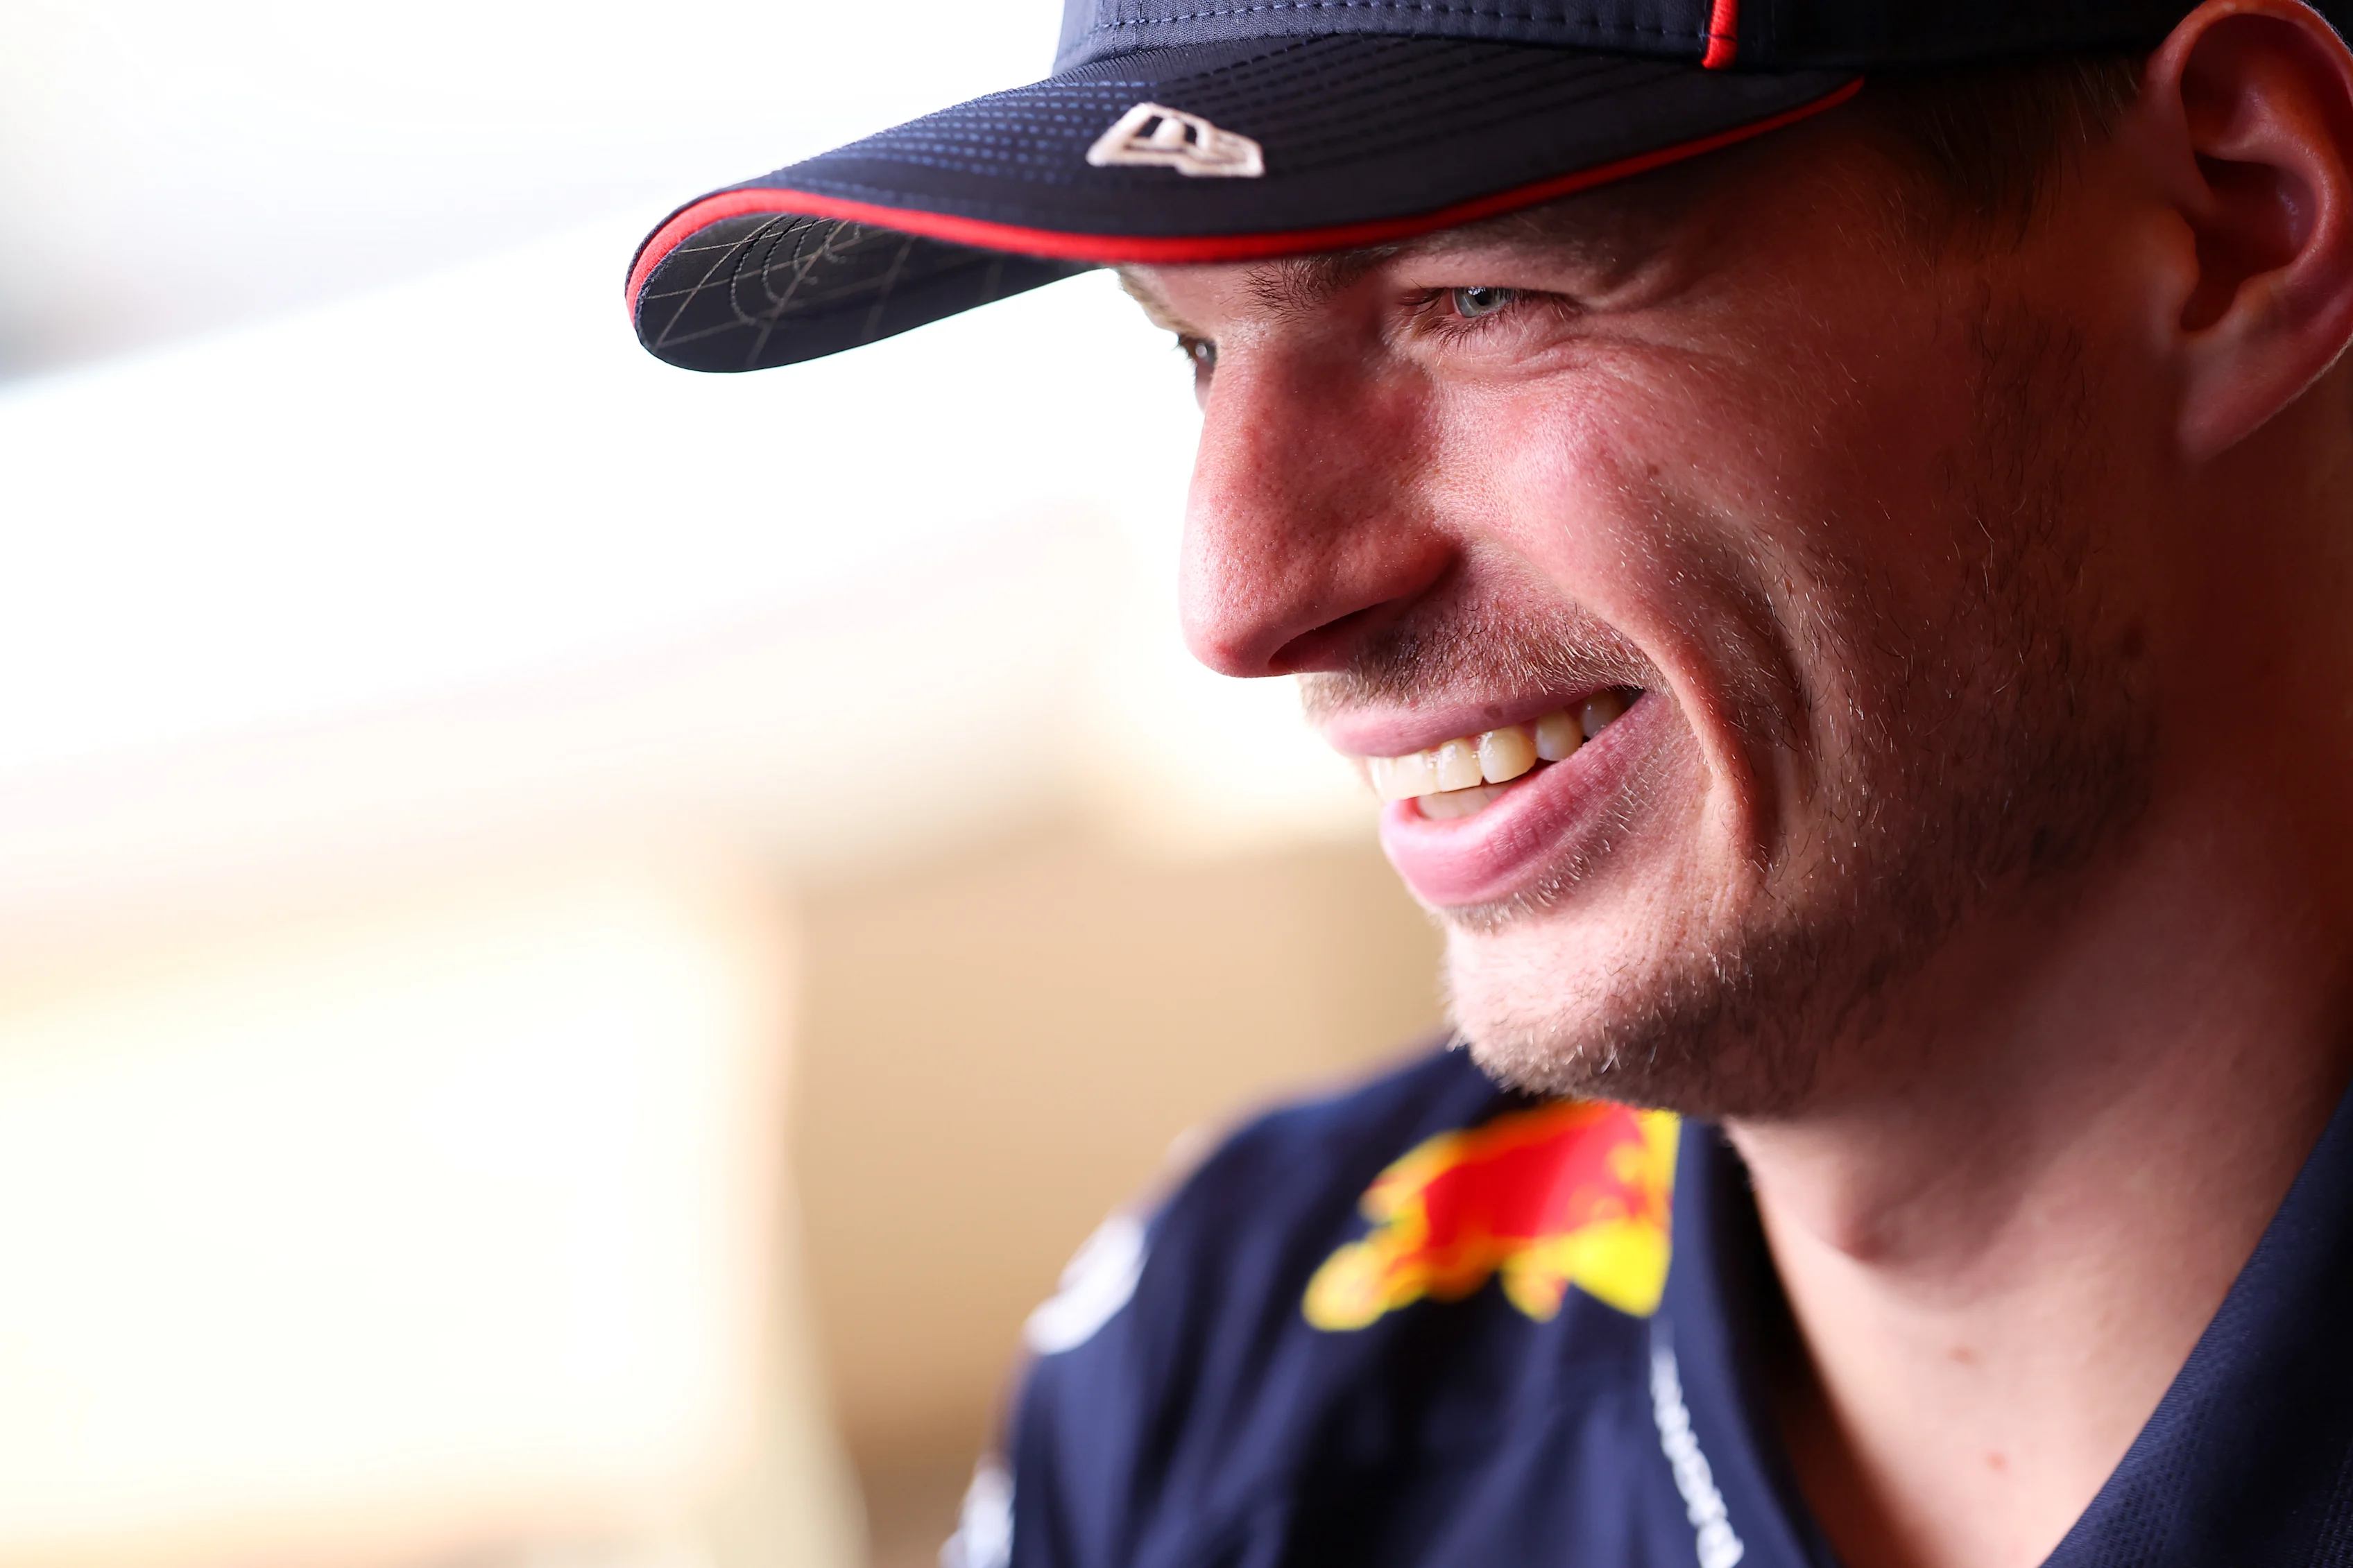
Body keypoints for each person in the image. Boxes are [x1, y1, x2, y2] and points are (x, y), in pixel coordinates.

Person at [629, 2, 2353, 1563]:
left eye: (1479, 294)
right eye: (1196, 348)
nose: (1240, 601)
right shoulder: (1235, 1349)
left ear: (2225, 222)